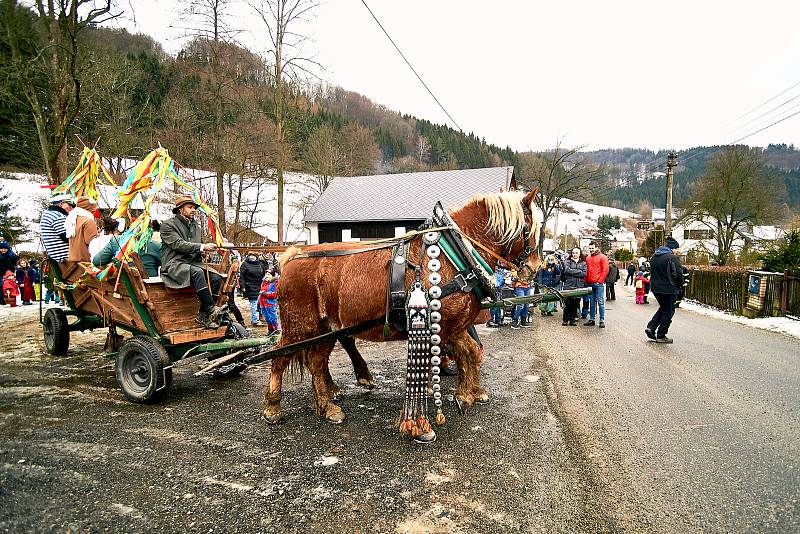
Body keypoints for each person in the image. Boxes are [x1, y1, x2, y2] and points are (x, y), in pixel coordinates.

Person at [160, 195, 224, 329]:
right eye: (190, 207)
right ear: (180, 209)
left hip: (193, 263)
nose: (193, 209)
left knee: (216, 277)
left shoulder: (196, 226)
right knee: (198, 273)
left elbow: (196, 247)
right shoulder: (167, 225)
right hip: (174, 264)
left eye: (194, 207)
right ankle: (211, 309)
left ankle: (203, 315)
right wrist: (202, 246)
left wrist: (203, 252)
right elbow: (178, 244)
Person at [645, 236, 684, 343]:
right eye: (676, 249)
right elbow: (678, 274)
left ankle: (651, 327)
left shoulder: (654, 257)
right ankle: (661, 335)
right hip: (669, 289)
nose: (676, 251)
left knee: (663, 308)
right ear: (673, 248)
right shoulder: (671, 258)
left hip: (656, 289)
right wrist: (680, 285)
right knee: (669, 311)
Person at [92, 230, 162, 278]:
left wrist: (114, 256)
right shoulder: (155, 245)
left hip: (123, 289)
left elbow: (97, 261)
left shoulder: (116, 241)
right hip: (152, 290)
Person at [40, 194, 75, 262]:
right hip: (66, 258)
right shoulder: (58, 216)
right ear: (61, 204)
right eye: (70, 205)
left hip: (56, 257)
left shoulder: (48, 214)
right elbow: (68, 237)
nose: (72, 208)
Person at [584, 242, 609, 328]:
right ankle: (592, 319)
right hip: (590, 283)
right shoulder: (588, 258)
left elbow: (605, 270)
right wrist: (586, 281)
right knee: (592, 302)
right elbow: (586, 270)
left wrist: (600, 281)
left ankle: (601, 320)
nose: (591, 250)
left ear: (596, 248)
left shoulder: (603, 257)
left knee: (600, 302)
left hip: (598, 283)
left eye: (592, 248)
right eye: (590, 248)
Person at [66, 196, 99, 262]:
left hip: (73, 259)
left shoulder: (72, 219)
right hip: (84, 260)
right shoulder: (88, 221)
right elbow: (92, 242)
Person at [561, 247, 587, 326]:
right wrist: (579, 271)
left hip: (579, 286)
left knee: (575, 304)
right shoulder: (568, 261)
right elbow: (567, 270)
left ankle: (572, 320)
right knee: (567, 304)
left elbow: (584, 273)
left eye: (576, 253)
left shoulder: (583, 263)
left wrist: (572, 272)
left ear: (579, 254)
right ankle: (565, 320)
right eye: (573, 253)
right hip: (569, 285)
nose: (575, 254)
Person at [239, 252, 266, 326]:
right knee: (254, 303)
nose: (252, 257)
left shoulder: (260, 264)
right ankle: (255, 320)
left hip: (259, 286)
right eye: (251, 255)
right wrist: (243, 287)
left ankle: (258, 318)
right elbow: (242, 277)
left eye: (254, 256)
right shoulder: (245, 264)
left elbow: (263, 274)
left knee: (259, 303)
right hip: (250, 286)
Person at [487, 260, 511, 327]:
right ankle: (490, 320)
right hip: (494, 285)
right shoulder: (496, 262)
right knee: (495, 304)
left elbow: (507, 279)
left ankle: (498, 320)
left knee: (499, 304)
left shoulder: (506, 267)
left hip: (500, 286)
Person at [0, 240, 19, 306]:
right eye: (2, 248)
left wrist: (17, 257)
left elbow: (15, 262)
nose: (3, 250)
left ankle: (12, 300)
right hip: (1, 273)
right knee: (1, 286)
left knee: (12, 286)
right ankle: (2, 300)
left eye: (5, 249)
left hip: (9, 272)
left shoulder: (11, 255)